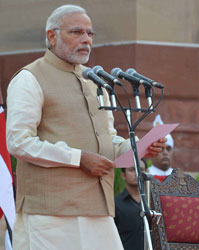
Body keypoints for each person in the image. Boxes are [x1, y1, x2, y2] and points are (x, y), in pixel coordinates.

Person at [6, 4, 165, 250]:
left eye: (90, 34)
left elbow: (108, 141)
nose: (86, 40)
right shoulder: (29, 78)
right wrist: (79, 159)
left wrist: (138, 147)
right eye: (77, 32)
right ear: (52, 36)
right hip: (50, 213)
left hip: (98, 210)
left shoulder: (94, 81)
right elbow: (19, 141)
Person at [114, 160, 147, 250]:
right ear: (123, 175)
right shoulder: (115, 203)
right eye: (132, 169)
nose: (137, 173)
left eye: (141, 169)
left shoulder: (153, 202)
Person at [148, 115, 174, 182]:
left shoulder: (180, 177)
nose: (165, 153)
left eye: (168, 149)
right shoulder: (144, 176)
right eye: (160, 149)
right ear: (151, 152)